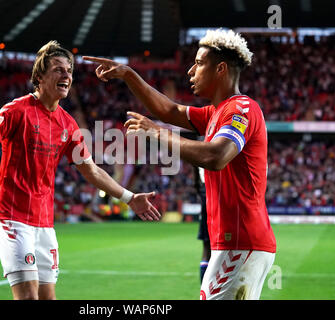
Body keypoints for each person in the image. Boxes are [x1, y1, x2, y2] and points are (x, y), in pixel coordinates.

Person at [0, 40, 160, 300]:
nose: (66, 75)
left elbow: (91, 170)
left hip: (44, 222)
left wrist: (129, 197)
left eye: (69, 71)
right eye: (58, 69)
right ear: (39, 77)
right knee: (29, 297)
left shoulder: (68, 124)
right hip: (11, 215)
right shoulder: (16, 110)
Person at [83, 28, 276, 300]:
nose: (190, 71)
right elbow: (169, 111)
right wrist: (128, 74)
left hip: (240, 242)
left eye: (198, 63)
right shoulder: (216, 113)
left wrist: (157, 132)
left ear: (220, 68)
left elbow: (215, 156)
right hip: (239, 243)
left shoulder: (241, 108)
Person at [193, 166, 210, 286]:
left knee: (207, 247)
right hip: (215, 189)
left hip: (205, 190)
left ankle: (204, 290)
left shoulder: (200, 147)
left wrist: (198, 187)